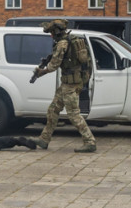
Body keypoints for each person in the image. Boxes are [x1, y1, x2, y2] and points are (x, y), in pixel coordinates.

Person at [31, 19, 97, 153]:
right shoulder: (69, 40)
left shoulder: (62, 44)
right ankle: (44, 139)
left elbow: (54, 65)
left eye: (51, 33)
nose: (50, 35)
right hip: (67, 84)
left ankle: (90, 141)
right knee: (53, 110)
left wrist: (41, 72)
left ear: (55, 32)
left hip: (70, 85)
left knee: (73, 114)